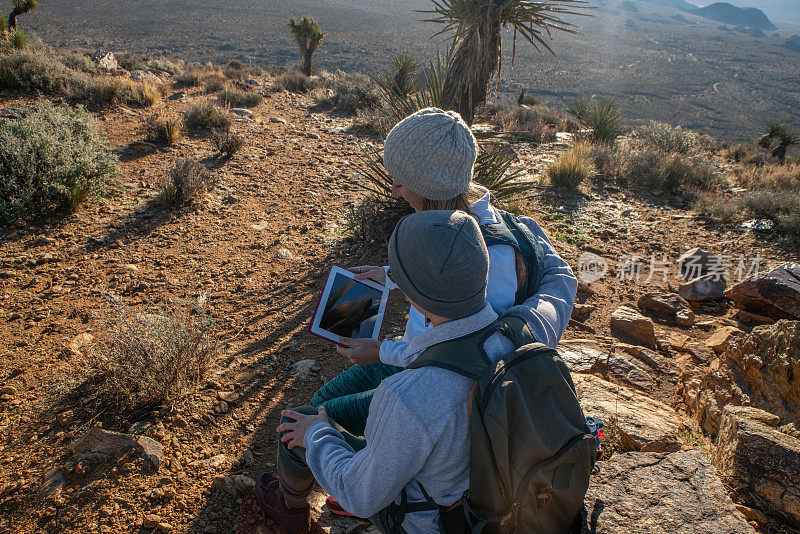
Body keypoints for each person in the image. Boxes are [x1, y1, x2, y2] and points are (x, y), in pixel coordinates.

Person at [310, 108, 577, 437]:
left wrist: (378, 351)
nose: (395, 190)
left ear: (427, 186)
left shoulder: (490, 259)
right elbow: (441, 276)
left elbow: (458, 357)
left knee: (322, 420)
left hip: (427, 384)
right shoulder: (455, 228)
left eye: (400, 181)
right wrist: (389, 276)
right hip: (409, 356)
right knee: (321, 401)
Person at [254, 210, 522, 534]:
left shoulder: (405, 398)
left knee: (296, 422)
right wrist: (381, 347)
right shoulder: (515, 338)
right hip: (486, 503)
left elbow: (359, 495)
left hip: (427, 522)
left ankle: (288, 512)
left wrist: (316, 433)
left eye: (400, 275)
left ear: (414, 294)